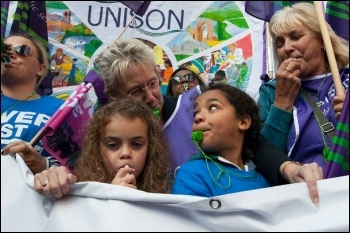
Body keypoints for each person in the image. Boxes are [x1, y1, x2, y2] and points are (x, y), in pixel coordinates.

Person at [36, 38, 322, 205]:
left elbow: (249, 141)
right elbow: (79, 180)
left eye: (153, 83)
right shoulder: (103, 132)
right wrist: (45, 172)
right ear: (112, 94)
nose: (151, 97)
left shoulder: (190, 108)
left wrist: (287, 167)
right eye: (136, 91)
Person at [258, 3, 349, 170]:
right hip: (304, 190)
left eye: (296, 36)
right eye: (279, 43)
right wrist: (283, 101)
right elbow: (264, 157)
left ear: (322, 40)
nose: (287, 48)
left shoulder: (346, 79)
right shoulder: (271, 92)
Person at [34, 98, 171, 197]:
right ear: (97, 149)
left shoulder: (166, 193)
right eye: (113, 145)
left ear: (151, 148)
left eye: (136, 145)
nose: (125, 153)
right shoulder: (80, 192)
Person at [172, 84, 270, 197]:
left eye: (213, 107)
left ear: (243, 122)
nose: (197, 117)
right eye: (196, 112)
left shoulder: (263, 179)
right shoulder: (192, 173)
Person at [1, 33, 64, 174]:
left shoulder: (62, 109)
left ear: (40, 69)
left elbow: (79, 165)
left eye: (22, 50)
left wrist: (44, 165)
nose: (10, 54)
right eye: (5, 49)